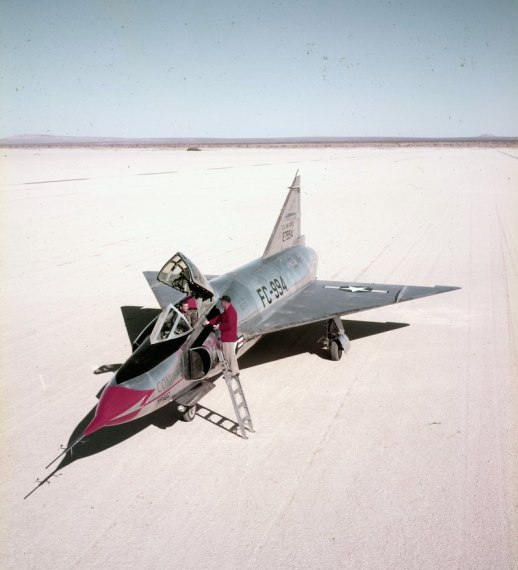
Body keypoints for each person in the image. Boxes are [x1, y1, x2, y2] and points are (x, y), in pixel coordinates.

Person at [203, 295, 239, 378]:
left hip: (228, 337)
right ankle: (235, 370)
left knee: (228, 355)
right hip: (228, 337)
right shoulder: (227, 310)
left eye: (222, 302)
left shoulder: (231, 312)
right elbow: (220, 317)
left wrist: (219, 327)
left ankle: (231, 372)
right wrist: (210, 322)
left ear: (225, 303)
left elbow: (229, 325)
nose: (221, 303)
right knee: (231, 355)